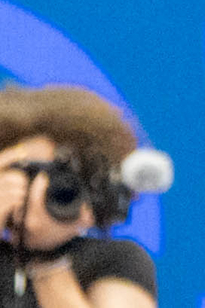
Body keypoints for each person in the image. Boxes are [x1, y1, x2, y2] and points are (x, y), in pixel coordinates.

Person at [0, 87, 159, 308]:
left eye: (63, 177)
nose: (46, 187)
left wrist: (48, 262)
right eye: (33, 171)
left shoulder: (117, 260)